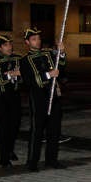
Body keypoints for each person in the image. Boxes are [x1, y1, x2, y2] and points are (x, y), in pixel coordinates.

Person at [19, 27, 66, 171]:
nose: (37, 41)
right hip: (39, 98)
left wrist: (62, 53)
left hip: (54, 96)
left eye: (38, 39)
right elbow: (30, 81)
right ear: (27, 42)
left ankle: (52, 160)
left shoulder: (48, 54)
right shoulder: (25, 60)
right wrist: (48, 75)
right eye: (34, 39)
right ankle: (32, 162)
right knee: (37, 131)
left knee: (54, 130)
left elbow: (62, 68)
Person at [0, 35, 22, 165]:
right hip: (0, 97)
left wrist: (18, 76)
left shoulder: (17, 58)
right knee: (4, 127)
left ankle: (10, 149)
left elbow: (23, 77)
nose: (9, 47)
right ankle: (4, 157)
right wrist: (11, 74)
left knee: (15, 125)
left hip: (15, 96)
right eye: (6, 45)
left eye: (10, 44)